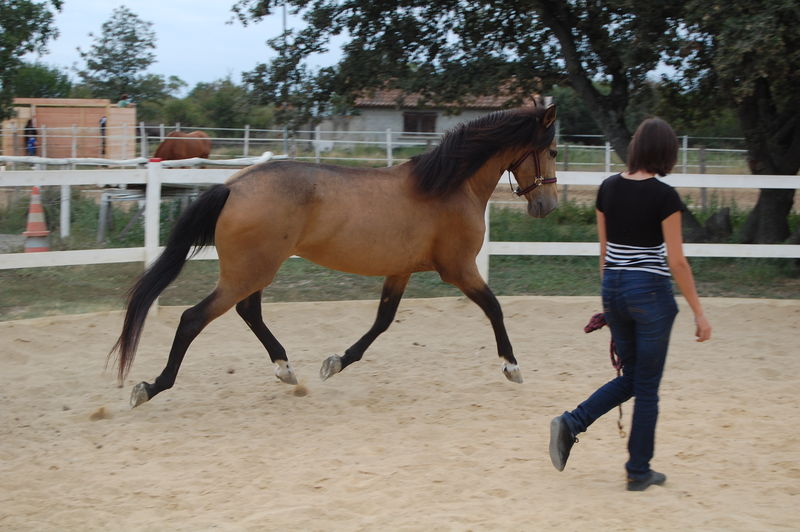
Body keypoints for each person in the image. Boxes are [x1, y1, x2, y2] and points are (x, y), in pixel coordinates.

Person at [549, 117, 712, 491]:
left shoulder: (607, 188)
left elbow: (605, 253)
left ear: (637, 147)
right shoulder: (664, 196)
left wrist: (611, 298)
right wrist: (699, 313)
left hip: (614, 289)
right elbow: (677, 261)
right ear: (665, 152)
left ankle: (573, 423)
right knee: (647, 387)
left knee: (635, 378)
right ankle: (638, 471)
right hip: (651, 294)